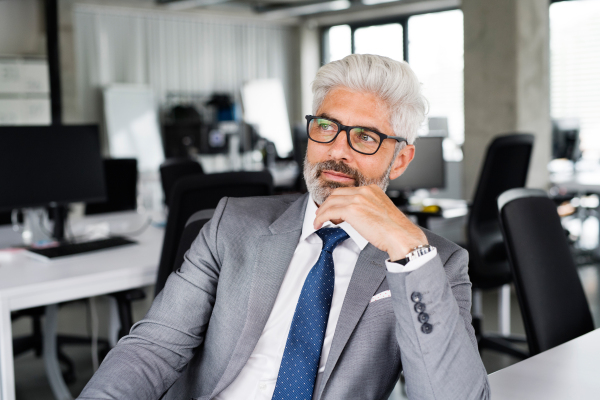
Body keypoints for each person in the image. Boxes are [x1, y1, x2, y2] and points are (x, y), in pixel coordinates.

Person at [78, 54, 490, 400]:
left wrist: (408, 250)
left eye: (365, 137)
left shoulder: (438, 263)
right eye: (326, 127)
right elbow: (152, 349)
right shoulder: (232, 225)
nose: (337, 150)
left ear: (399, 160)